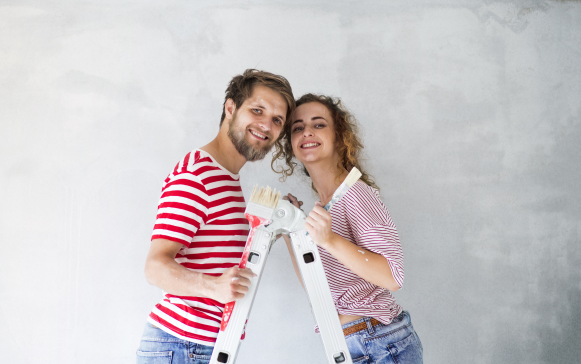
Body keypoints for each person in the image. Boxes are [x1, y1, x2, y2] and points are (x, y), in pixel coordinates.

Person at [137, 69, 295, 364]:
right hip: (183, 347)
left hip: (204, 348)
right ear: (231, 107)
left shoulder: (226, 178)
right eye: (257, 110)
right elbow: (155, 267)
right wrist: (212, 287)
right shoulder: (196, 176)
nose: (265, 125)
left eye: (277, 120)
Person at [272, 94, 423, 364]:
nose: (307, 131)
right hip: (348, 344)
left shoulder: (355, 193)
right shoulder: (326, 206)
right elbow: (317, 285)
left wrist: (329, 240)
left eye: (318, 124)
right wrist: (290, 233)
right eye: (297, 127)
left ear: (340, 137)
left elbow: (392, 276)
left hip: (379, 342)